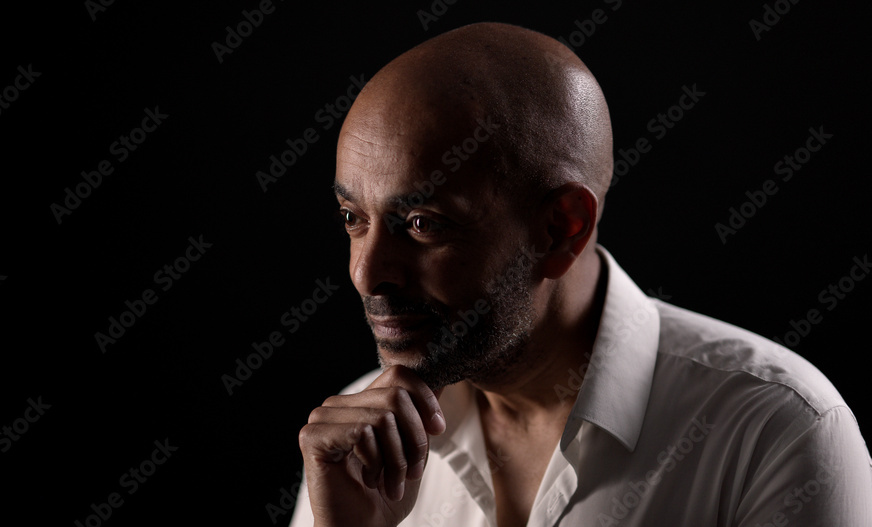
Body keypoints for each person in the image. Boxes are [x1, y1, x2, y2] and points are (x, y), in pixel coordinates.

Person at [289, 22, 872, 527]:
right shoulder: (361, 438)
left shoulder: (774, 431)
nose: (366, 274)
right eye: (352, 218)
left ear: (562, 229)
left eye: (422, 224)